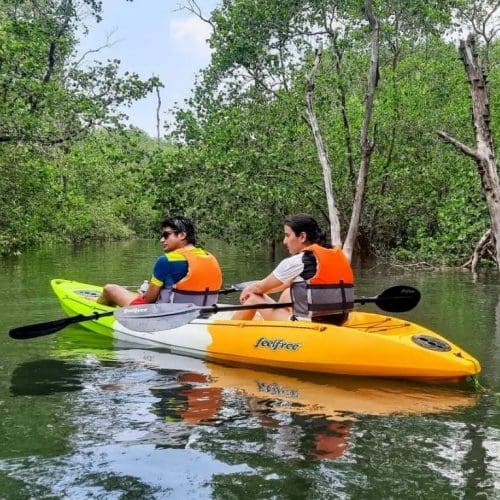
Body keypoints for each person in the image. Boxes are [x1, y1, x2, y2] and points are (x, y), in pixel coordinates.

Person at [232, 213, 354, 324]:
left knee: (253, 298)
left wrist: (247, 291)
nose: (284, 241)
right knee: (288, 291)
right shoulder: (338, 256)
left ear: (302, 236)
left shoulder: (298, 261)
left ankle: (228, 333)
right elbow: (282, 285)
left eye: (287, 235)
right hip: (339, 321)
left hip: (308, 325)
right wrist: (264, 291)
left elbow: (260, 287)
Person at [97, 216, 223, 307]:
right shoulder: (210, 257)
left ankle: (95, 306)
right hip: (202, 313)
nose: (162, 239)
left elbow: (148, 299)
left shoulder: (166, 260)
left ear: (182, 235)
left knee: (109, 289)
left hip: (165, 317)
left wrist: (144, 294)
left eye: (166, 235)